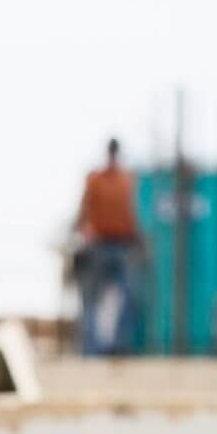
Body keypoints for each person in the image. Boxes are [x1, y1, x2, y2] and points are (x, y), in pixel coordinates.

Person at [74, 138, 145, 355]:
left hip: (121, 245)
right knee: (92, 299)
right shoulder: (98, 180)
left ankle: (117, 346)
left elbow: (131, 213)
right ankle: (91, 349)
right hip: (99, 245)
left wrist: (137, 238)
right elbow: (84, 211)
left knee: (127, 297)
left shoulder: (125, 180)